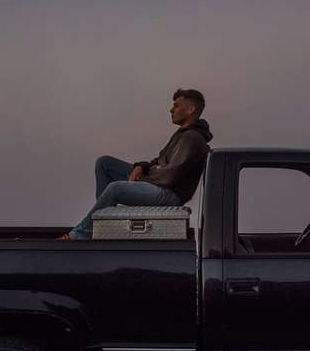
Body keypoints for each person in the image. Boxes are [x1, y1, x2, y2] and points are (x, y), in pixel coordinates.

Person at [62, 88, 213, 240]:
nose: (171, 109)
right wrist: (140, 166)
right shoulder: (182, 134)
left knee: (116, 189)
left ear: (191, 109)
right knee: (104, 163)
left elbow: (170, 177)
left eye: (176, 105)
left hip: (169, 194)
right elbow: (159, 161)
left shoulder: (192, 139)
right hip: (156, 183)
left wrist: (141, 178)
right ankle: (104, 221)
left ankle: (80, 234)